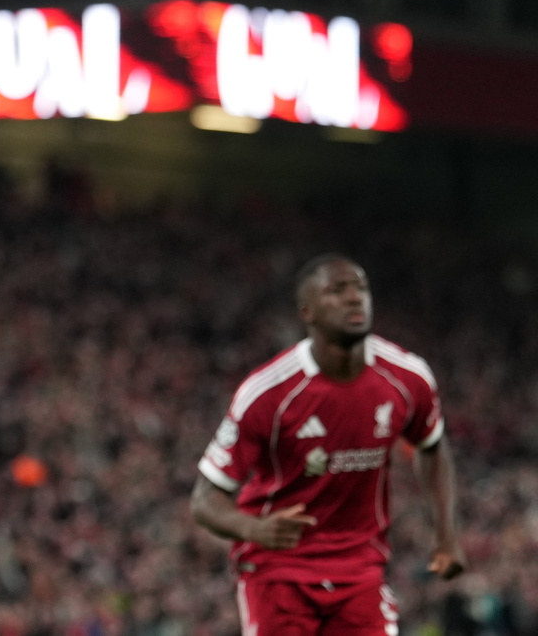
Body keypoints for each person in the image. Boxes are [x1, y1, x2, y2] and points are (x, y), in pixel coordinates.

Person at [190, 253, 465, 635]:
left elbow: (431, 447)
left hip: (360, 571)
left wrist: (446, 537)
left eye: (361, 288)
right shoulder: (269, 393)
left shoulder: (408, 377)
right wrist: (254, 529)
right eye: (338, 290)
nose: (355, 298)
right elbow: (205, 499)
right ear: (308, 311)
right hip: (279, 569)